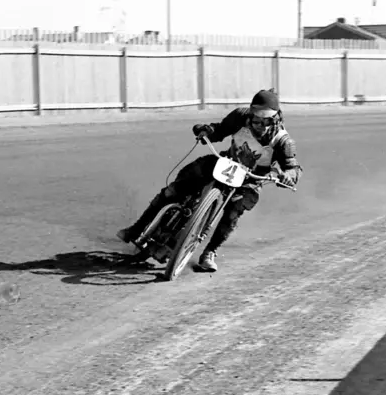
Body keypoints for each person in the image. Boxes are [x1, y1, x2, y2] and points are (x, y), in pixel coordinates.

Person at [117, 88, 301, 273]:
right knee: (175, 189)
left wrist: (288, 176)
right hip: (225, 163)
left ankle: (209, 253)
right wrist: (206, 131)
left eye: (267, 120)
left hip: (249, 181)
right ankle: (137, 228)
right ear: (251, 114)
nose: (261, 125)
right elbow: (219, 130)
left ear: (276, 118)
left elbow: (293, 169)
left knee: (233, 211)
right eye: (257, 119)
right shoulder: (240, 117)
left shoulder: (284, 142)